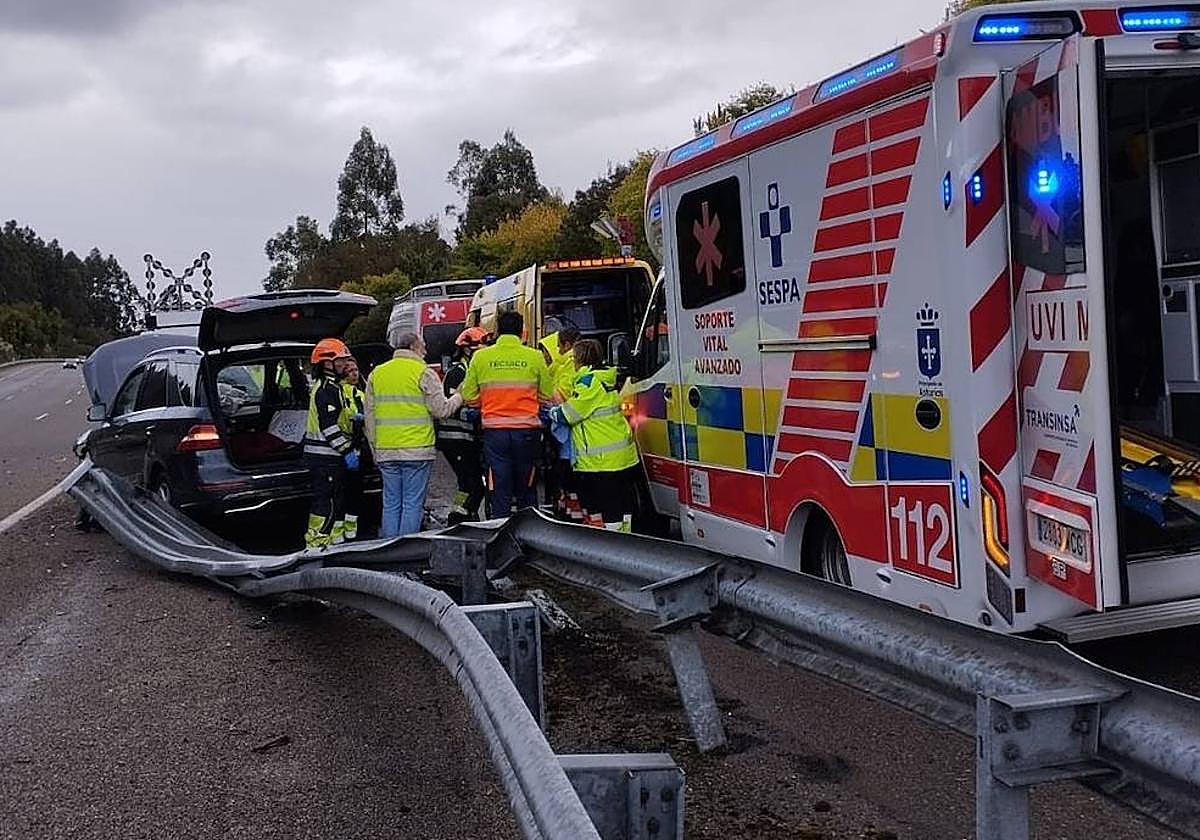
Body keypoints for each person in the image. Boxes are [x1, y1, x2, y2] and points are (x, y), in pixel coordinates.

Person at [365, 331, 462, 538]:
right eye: (423, 346)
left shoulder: (377, 374)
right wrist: (459, 397)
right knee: (412, 504)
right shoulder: (423, 372)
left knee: (390, 503)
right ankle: (405, 554)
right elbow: (441, 410)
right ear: (413, 347)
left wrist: (375, 448)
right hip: (417, 451)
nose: (426, 350)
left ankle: (388, 552)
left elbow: (370, 417)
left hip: (386, 452)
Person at [460, 310, 553, 518]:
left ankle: (500, 533)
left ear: (497, 331)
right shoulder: (535, 357)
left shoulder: (481, 357)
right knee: (527, 489)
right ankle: (529, 538)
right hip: (527, 433)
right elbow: (547, 395)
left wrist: (487, 403)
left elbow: (468, 395)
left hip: (495, 433)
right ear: (522, 332)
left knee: (499, 487)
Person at [552, 339, 639, 532]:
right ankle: (626, 541)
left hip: (601, 460)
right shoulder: (606, 378)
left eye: (574, 357)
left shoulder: (588, 383)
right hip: (622, 456)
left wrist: (553, 411)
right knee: (622, 505)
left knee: (607, 507)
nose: (572, 361)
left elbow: (569, 415)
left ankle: (612, 544)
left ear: (581, 358)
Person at [303, 338, 357, 549]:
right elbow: (329, 427)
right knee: (325, 503)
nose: (345, 364)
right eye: (341, 360)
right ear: (327, 362)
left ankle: (323, 540)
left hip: (327, 456)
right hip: (324, 457)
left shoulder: (333, 387)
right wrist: (348, 450)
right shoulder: (327, 389)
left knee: (332, 500)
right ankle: (316, 542)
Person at [437, 327, 488, 524]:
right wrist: (470, 414)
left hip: (466, 438)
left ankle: (462, 515)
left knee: (467, 484)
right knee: (474, 485)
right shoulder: (458, 372)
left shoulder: (473, 370)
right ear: (468, 350)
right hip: (455, 439)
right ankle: (458, 517)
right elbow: (452, 403)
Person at [538, 321, 582, 518]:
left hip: (569, 433)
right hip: (570, 434)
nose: (554, 350)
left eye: (557, 346)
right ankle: (570, 511)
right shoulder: (564, 365)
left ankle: (571, 513)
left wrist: (544, 400)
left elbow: (561, 396)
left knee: (567, 476)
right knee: (564, 476)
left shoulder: (568, 365)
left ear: (565, 345)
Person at [339, 356, 367, 540]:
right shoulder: (340, 392)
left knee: (356, 489)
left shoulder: (359, 392)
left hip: (358, 445)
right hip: (343, 446)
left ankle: (351, 529)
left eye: (356, 370)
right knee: (344, 489)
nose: (355, 374)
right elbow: (342, 417)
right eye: (350, 371)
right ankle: (342, 530)